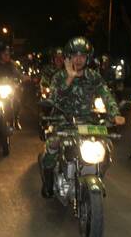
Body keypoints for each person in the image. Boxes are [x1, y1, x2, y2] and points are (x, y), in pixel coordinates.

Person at [39, 36, 125, 197]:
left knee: (107, 146)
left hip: (88, 122)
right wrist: (70, 77)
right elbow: (54, 99)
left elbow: (106, 95)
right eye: (75, 55)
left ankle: (97, 176)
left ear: (88, 58)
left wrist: (115, 114)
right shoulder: (59, 76)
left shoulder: (94, 76)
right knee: (52, 146)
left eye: (83, 56)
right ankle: (49, 182)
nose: (78, 59)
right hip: (63, 122)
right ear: (68, 57)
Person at [0, 41, 27, 130]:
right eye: (5, 54)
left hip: (9, 89)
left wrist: (23, 77)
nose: (7, 56)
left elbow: (18, 73)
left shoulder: (12, 64)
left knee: (17, 100)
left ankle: (16, 119)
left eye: (8, 54)